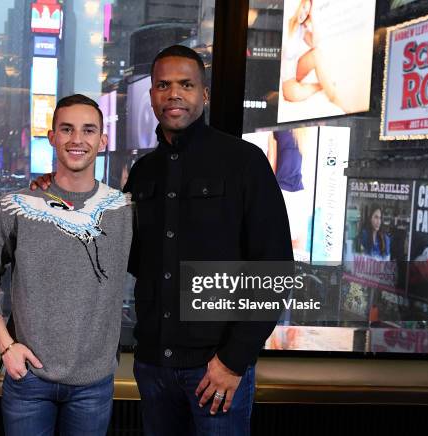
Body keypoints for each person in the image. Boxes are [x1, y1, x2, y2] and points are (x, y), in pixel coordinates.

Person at [32, 45, 292, 435]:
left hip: (216, 370)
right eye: (163, 85)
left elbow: (274, 270)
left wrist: (233, 361)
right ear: (151, 95)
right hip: (153, 367)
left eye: (186, 84)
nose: (174, 94)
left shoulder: (245, 162)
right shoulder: (143, 172)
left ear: (203, 94)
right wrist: (58, 195)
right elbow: (124, 256)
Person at [0, 94, 132, 435]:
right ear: (52, 136)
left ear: (102, 140)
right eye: (67, 129)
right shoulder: (14, 206)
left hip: (93, 384)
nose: (77, 139)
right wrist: (6, 346)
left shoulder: (125, 210)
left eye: (88, 130)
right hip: (27, 379)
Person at [281, 0, 322, 102]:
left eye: (307, 12)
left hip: (294, 73)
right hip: (285, 80)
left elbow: (315, 44)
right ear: (298, 5)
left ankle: (322, 85)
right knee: (294, 94)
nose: (304, 14)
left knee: (316, 53)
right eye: (303, 8)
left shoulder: (302, 28)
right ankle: (319, 86)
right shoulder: (284, 23)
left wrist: (313, 18)